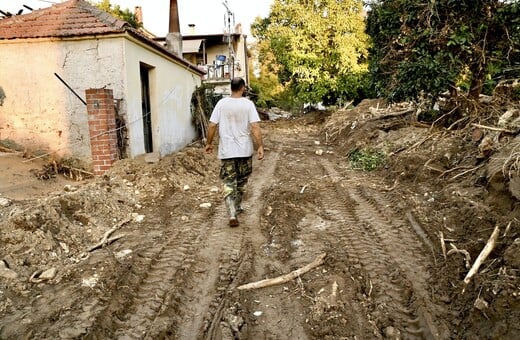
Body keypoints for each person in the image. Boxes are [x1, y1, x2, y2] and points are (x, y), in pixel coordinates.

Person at [205, 77, 264, 227]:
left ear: (231, 88)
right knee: (242, 181)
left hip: (227, 151)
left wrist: (209, 143)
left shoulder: (221, 104)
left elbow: (212, 126)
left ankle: (232, 212)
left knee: (229, 181)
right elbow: (255, 127)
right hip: (244, 150)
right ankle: (237, 206)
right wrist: (260, 146)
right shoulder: (248, 104)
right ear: (243, 88)